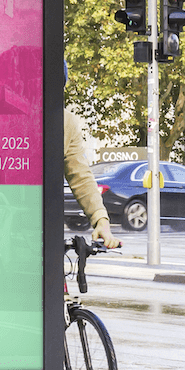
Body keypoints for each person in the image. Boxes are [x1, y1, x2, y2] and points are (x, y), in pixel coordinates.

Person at [63, 62, 121, 249]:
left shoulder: (66, 122)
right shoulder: (7, 113)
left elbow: (80, 175)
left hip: (42, 222)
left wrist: (101, 220)